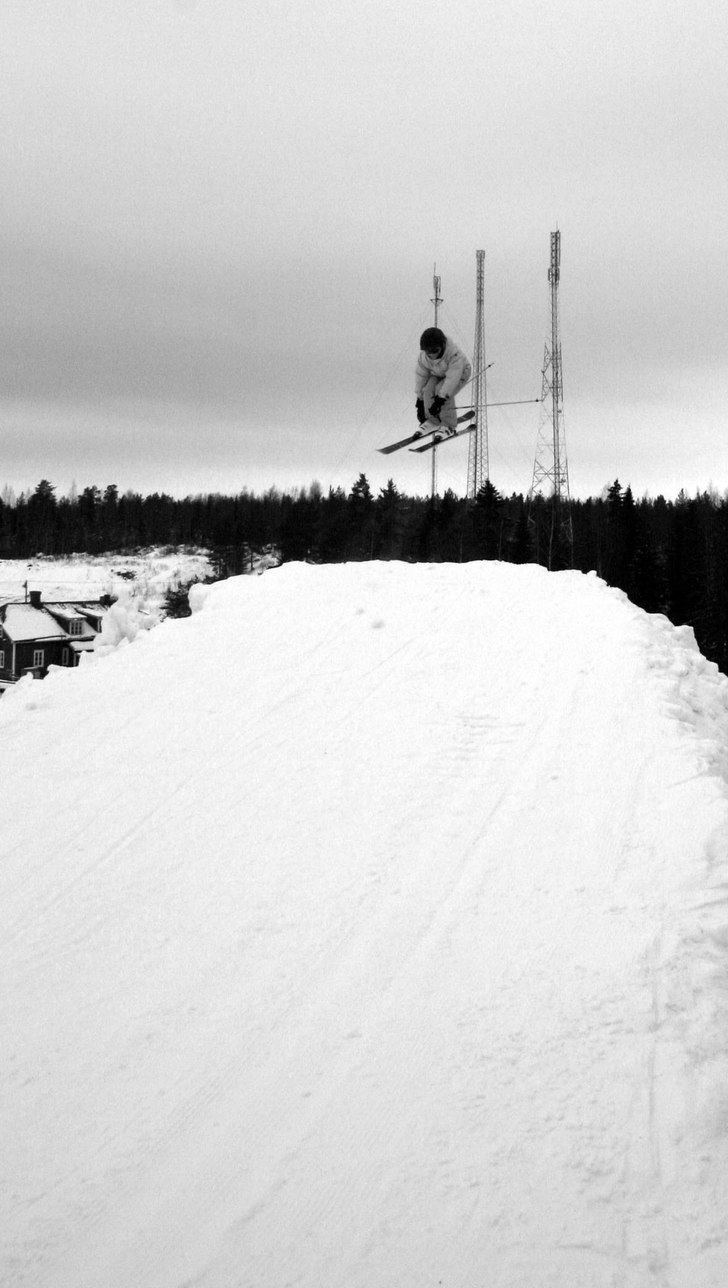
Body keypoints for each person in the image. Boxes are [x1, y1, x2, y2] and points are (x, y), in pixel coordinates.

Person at [415, 327, 472, 439]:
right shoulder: (424, 358)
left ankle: (448, 425)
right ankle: (433, 421)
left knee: (443, 393)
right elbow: (421, 376)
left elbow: (452, 380)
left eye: (435, 351)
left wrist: (440, 400)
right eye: (428, 352)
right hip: (439, 373)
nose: (432, 355)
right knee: (427, 390)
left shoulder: (453, 355)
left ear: (442, 346)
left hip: (460, 373)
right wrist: (420, 399)